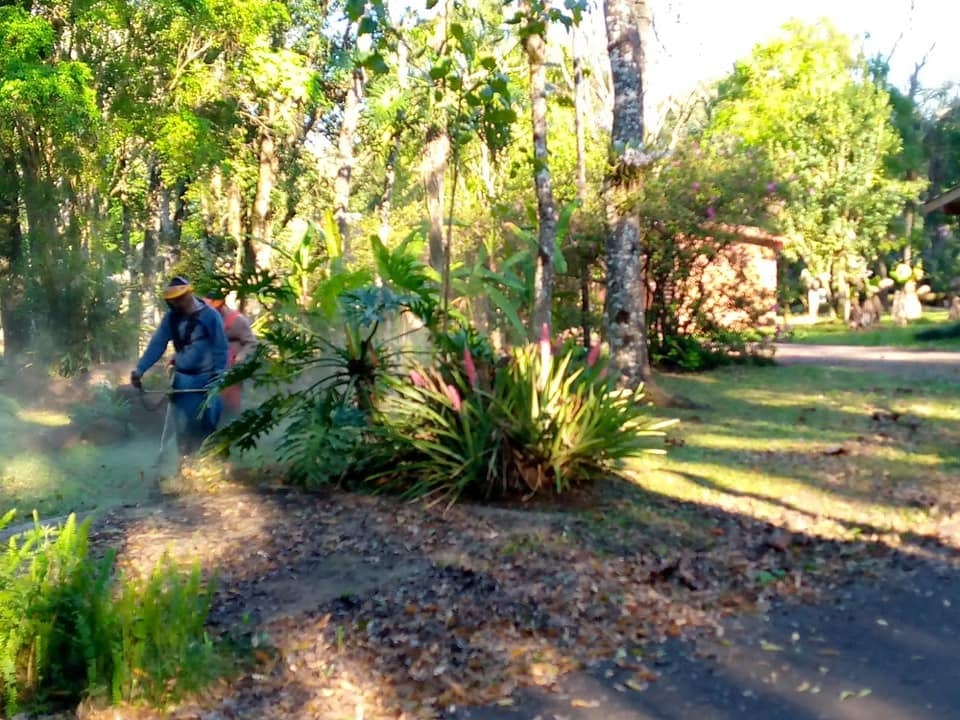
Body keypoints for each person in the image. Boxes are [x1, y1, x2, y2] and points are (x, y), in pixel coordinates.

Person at [130, 276, 228, 454]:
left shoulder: (210, 316)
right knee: (183, 427)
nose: (178, 303)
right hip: (183, 380)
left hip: (208, 379)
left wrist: (219, 373)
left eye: (180, 298)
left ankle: (211, 465)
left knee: (209, 424)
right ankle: (184, 466)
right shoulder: (171, 319)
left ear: (189, 293)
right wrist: (140, 369)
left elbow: (220, 347)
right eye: (174, 300)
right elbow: (157, 344)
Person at [203, 289, 258, 414]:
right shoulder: (207, 319)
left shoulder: (237, 320)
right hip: (212, 368)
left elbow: (252, 343)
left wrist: (242, 355)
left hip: (231, 369)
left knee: (231, 403)